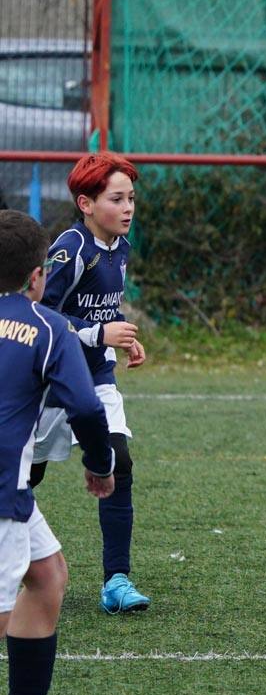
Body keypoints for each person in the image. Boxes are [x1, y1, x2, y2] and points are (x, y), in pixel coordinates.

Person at [0, 211, 115, 695]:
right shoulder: (50, 328)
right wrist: (99, 464)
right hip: (3, 488)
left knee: (47, 575)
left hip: (14, 484)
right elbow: (88, 411)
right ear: (37, 275)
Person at [29, 152, 149, 614]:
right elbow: (44, 315)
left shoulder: (120, 247)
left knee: (118, 464)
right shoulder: (71, 248)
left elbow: (104, 310)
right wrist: (99, 332)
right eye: (116, 199)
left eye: (132, 198)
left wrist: (120, 339)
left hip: (96, 375)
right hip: (50, 382)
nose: (128, 208)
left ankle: (117, 580)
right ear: (85, 203)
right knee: (28, 476)